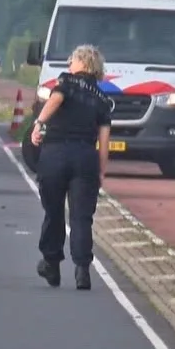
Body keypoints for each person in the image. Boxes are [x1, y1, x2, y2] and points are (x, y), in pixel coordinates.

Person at [28, 44, 113, 290]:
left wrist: (39, 123)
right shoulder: (103, 99)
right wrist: (101, 170)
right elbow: (104, 141)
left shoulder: (66, 82)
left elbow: (55, 100)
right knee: (81, 216)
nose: (69, 65)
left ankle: (51, 264)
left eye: (72, 60)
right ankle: (82, 269)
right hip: (85, 156)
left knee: (53, 211)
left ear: (83, 63)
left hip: (56, 153)